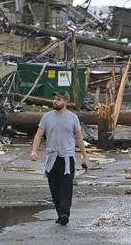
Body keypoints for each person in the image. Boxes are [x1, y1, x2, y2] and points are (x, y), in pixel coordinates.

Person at [30, 90, 90, 226]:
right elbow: (39, 134)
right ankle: (60, 214)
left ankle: (64, 214)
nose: (55, 101)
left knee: (66, 187)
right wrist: (34, 151)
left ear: (65, 102)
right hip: (52, 158)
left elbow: (79, 139)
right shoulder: (46, 117)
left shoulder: (73, 118)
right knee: (55, 188)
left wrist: (85, 158)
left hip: (67, 158)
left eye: (59, 99)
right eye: (55, 98)